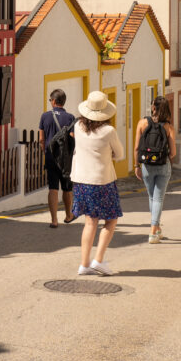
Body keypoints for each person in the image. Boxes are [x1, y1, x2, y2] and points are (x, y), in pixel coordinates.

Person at [70, 91, 124, 275]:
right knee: (111, 219)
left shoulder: (78, 126)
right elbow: (120, 154)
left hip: (81, 181)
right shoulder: (109, 131)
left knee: (90, 222)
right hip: (102, 181)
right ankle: (98, 260)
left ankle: (84, 264)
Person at [134, 96, 176, 243]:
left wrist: (136, 166)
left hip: (146, 165)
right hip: (163, 165)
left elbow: (136, 148)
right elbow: (173, 152)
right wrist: (165, 157)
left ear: (153, 108)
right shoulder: (168, 127)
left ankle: (156, 228)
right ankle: (153, 231)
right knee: (158, 198)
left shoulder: (142, 123)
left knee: (152, 197)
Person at [39, 89, 76, 228]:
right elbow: (72, 138)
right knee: (67, 188)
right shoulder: (70, 117)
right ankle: (68, 215)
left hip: (51, 157)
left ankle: (54, 220)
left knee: (53, 188)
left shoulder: (45, 116)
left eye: (50, 100)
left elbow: (41, 139)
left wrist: (45, 152)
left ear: (53, 101)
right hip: (65, 159)